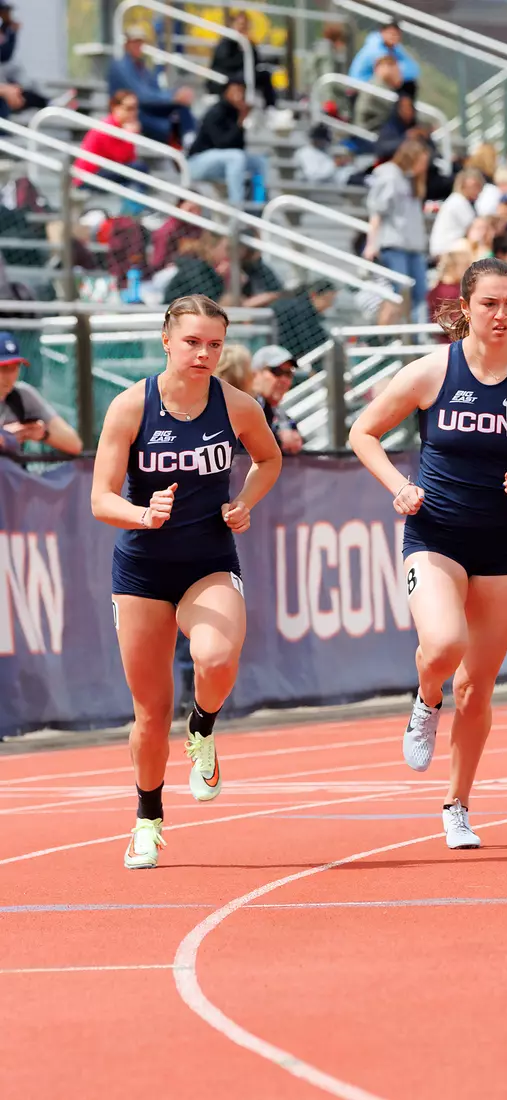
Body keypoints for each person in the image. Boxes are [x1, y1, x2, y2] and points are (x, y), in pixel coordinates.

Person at [350, 259, 507, 849]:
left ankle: (458, 804)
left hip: (503, 542)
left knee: (477, 687)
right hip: (436, 532)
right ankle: (425, 699)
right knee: (445, 645)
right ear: (466, 308)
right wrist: (398, 486)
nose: (501, 317)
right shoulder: (432, 371)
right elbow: (362, 432)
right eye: (489, 305)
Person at [88, 295, 283, 869]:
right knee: (150, 712)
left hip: (208, 559)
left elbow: (268, 461)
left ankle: (203, 727)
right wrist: (142, 515)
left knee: (218, 657)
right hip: (143, 568)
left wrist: (243, 501)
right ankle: (147, 818)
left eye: (215, 345)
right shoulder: (130, 407)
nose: (204, 354)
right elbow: (101, 498)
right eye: (193, 342)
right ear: (167, 341)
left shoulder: (237, 405)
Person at [364, 138, 431, 324]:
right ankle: (383, 338)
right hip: (394, 245)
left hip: (414, 246)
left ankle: (416, 337)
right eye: (421, 162)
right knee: (396, 294)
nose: (423, 167)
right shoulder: (389, 175)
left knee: (419, 294)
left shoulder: (412, 180)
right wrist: (371, 244)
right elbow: (377, 212)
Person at [108, 24, 195, 146]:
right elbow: (141, 96)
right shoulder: (121, 66)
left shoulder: (143, 68)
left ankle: (190, 140)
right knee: (169, 123)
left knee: (181, 108)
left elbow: (154, 91)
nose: (138, 46)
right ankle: (186, 146)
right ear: (127, 44)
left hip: (144, 109)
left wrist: (175, 95)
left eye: (141, 42)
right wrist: (172, 96)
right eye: (135, 42)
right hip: (133, 112)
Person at [186, 79, 268, 205]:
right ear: (226, 92)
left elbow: (239, 146)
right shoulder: (215, 112)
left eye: (241, 91)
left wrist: (242, 119)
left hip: (222, 162)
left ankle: (259, 205)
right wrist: (240, 120)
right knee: (236, 157)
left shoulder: (236, 113)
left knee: (259, 161)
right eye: (235, 90)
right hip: (197, 162)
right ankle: (236, 206)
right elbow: (221, 143)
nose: (239, 95)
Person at [0, 332, 81, 458]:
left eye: (14, 367)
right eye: (4, 368)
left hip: (15, 475)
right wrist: (5, 437)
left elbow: (75, 444)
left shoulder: (22, 395)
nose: (10, 377)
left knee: (84, 469)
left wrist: (43, 434)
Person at [73, 90, 142, 182]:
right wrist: (129, 138)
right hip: (88, 177)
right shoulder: (107, 127)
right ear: (115, 107)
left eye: (136, 108)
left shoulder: (121, 128)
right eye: (129, 108)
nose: (133, 113)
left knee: (138, 170)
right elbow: (120, 158)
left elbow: (130, 159)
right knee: (138, 169)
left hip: (103, 173)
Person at [249, 344, 304, 454]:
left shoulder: (280, 414)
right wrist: (279, 440)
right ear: (255, 374)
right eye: (276, 372)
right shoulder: (245, 407)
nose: (284, 380)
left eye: (288, 374)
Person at [349, 20, 420, 99]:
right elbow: (387, 72)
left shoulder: (395, 48)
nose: (394, 37)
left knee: (409, 85)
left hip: (373, 89)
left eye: (397, 34)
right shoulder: (374, 48)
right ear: (382, 32)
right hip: (359, 91)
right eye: (391, 34)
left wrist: (398, 71)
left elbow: (413, 69)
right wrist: (397, 72)